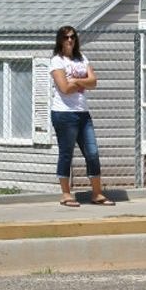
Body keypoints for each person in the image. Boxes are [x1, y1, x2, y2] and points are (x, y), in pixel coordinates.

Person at [49, 25, 112, 207]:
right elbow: (64, 88)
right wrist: (81, 83)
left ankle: (97, 193)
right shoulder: (57, 61)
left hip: (83, 113)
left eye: (73, 37)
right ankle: (66, 194)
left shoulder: (82, 58)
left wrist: (76, 80)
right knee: (66, 153)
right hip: (63, 114)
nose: (70, 40)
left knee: (92, 153)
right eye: (66, 37)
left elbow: (94, 82)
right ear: (60, 40)